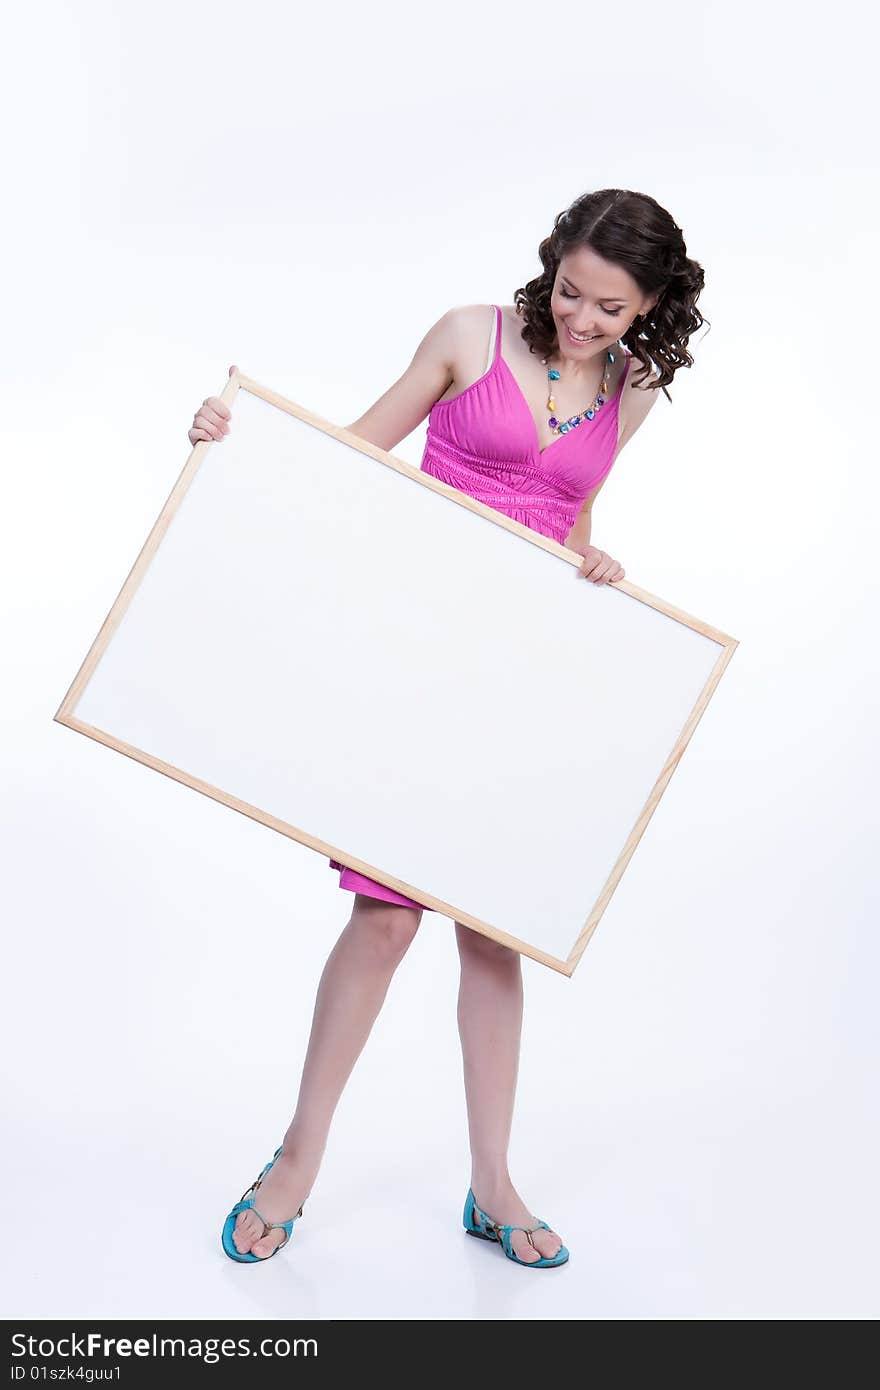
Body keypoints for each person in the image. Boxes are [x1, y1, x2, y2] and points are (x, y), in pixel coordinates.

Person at [188, 187, 707, 1268]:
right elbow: (346, 460)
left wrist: (592, 560)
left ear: (649, 306)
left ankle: (491, 1184)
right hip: (413, 663)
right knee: (384, 920)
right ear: (549, 266)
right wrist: (233, 441)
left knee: (492, 932)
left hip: (519, 685)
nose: (580, 319)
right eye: (569, 290)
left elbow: (569, 510)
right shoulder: (468, 333)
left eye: (609, 308)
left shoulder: (637, 386)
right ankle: (295, 1158)